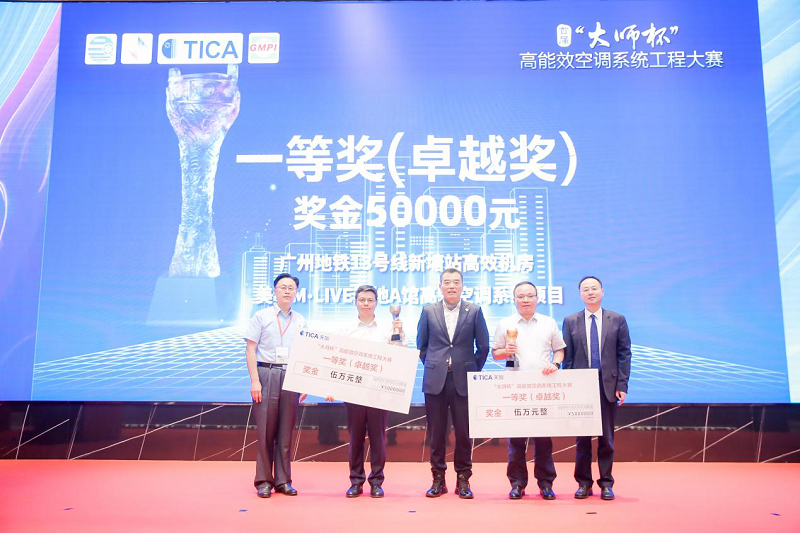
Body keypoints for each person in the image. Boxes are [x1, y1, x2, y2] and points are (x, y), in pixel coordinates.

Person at [417, 268, 490, 499]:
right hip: (435, 381)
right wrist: (435, 366)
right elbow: (422, 346)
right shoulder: (428, 311)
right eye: (447, 282)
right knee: (437, 434)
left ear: (462, 286)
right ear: (440, 286)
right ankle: (438, 479)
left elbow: (483, 346)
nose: (451, 286)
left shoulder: (474, 311)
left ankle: (463, 480)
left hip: (464, 381)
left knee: (464, 433)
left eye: (456, 282)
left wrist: (471, 369)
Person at [330, 285, 405, 499]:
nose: (365, 303)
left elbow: (400, 355)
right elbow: (337, 356)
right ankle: (356, 481)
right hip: (353, 389)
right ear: (355, 302)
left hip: (379, 391)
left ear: (376, 303)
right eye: (362, 300)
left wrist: (398, 334)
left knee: (378, 438)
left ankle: (377, 482)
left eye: (370, 300)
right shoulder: (346, 329)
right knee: (355, 438)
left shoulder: (388, 328)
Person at [492, 281, 565, 501]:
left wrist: (556, 364)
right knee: (516, 439)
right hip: (515, 388)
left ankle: (546, 483)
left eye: (529, 296)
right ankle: (517, 484)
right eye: (521, 296)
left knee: (543, 439)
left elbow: (559, 350)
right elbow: (495, 353)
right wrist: (506, 351)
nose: (525, 300)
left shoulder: (548, 322)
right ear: (514, 299)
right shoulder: (505, 323)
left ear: (537, 298)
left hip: (542, 387)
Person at [562, 276, 631, 501]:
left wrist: (622, 384)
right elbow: (568, 359)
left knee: (606, 439)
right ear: (580, 294)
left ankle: (606, 483)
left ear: (602, 291)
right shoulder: (570, 321)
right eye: (585, 289)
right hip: (581, 387)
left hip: (607, 386)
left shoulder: (617, 319)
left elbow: (624, 354)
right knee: (582, 439)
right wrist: (569, 387)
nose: (590, 292)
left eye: (594, 288)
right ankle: (584, 483)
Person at [245, 273, 307, 498]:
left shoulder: (300, 320)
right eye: (283, 287)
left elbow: (305, 352)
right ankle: (264, 481)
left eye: (291, 288)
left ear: (296, 292)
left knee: (285, 431)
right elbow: (250, 349)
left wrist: (304, 381)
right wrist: (255, 380)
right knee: (265, 430)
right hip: (266, 373)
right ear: (275, 290)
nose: (287, 291)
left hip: (290, 375)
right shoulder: (261, 316)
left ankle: (283, 481)